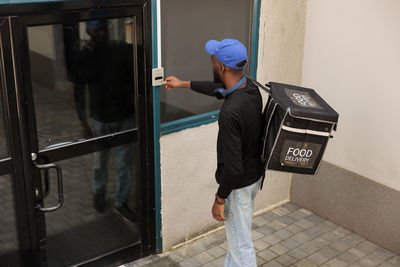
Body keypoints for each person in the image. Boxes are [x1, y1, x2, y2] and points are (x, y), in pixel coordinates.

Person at [163, 39, 264, 267]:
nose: (211, 60)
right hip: (253, 178)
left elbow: (233, 167)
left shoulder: (229, 113)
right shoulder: (249, 88)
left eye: (213, 58)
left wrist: (220, 198)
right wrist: (183, 84)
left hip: (238, 187)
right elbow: (218, 89)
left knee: (241, 246)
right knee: (237, 239)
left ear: (222, 67)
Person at [72, 19, 137, 222]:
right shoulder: (86, 56)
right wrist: (83, 121)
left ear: (106, 29)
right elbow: (78, 90)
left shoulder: (121, 50)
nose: (97, 35)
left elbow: (136, 79)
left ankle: (121, 201)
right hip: (100, 118)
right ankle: (99, 193)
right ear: (88, 32)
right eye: (93, 31)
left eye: (99, 30)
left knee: (124, 163)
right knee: (99, 160)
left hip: (124, 116)